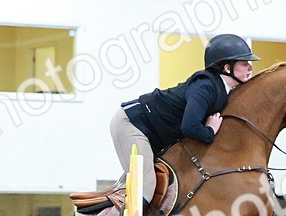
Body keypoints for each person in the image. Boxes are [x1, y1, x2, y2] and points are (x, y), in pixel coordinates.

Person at [111, 33, 259, 204]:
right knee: (146, 186)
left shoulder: (223, 90)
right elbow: (189, 127)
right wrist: (210, 130)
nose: (250, 67)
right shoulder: (205, 86)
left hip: (153, 131)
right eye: (244, 63)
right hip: (133, 124)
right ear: (227, 67)